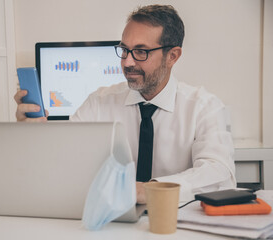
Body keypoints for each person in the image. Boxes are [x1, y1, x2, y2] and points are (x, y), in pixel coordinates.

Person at [14, 5, 236, 203]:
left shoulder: (205, 107)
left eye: (141, 51)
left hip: (176, 225)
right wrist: (34, 136)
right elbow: (63, 158)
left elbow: (219, 174)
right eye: (124, 50)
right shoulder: (99, 102)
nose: (127, 62)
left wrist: (150, 190)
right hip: (110, 222)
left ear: (173, 56)